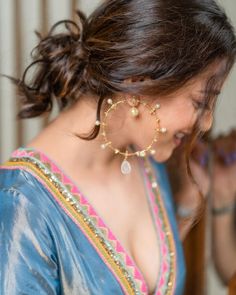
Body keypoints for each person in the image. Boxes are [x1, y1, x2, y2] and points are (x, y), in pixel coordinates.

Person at [0, 0, 235, 294]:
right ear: (139, 80)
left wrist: (186, 206)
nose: (208, 123)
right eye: (200, 102)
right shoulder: (21, 203)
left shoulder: (148, 155)